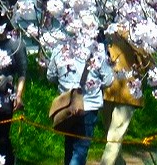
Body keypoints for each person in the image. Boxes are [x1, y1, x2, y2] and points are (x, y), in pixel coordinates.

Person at [47, 35, 115, 165]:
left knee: (69, 145)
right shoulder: (97, 50)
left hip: (67, 105)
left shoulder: (60, 48)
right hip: (89, 105)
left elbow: (51, 76)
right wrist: (95, 84)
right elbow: (108, 80)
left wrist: (65, 85)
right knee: (80, 149)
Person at [100, 31, 153, 165]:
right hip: (110, 90)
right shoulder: (109, 33)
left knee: (114, 136)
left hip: (125, 91)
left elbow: (148, 62)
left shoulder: (136, 34)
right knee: (111, 135)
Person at [0, 11, 27, 165]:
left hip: (5, 97)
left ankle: (7, 160)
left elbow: (22, 73)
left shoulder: (16, 44)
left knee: (1, 137)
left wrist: (19, 95)